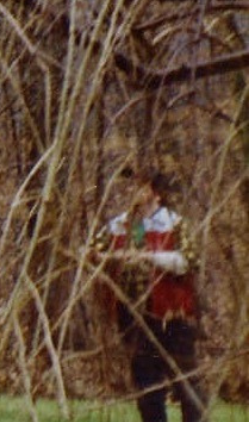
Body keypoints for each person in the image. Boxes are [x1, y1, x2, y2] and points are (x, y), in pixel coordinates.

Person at [97, 169, 205, 422]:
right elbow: (94, 253)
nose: (131, 192)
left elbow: (189, 261)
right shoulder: (119, 225)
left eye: (139, 186)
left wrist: (150, 257)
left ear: (155, 193)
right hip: (133, 315)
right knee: (146, 385)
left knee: (185, 382)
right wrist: (105, 259)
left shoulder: (174, 223)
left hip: (170, 316)